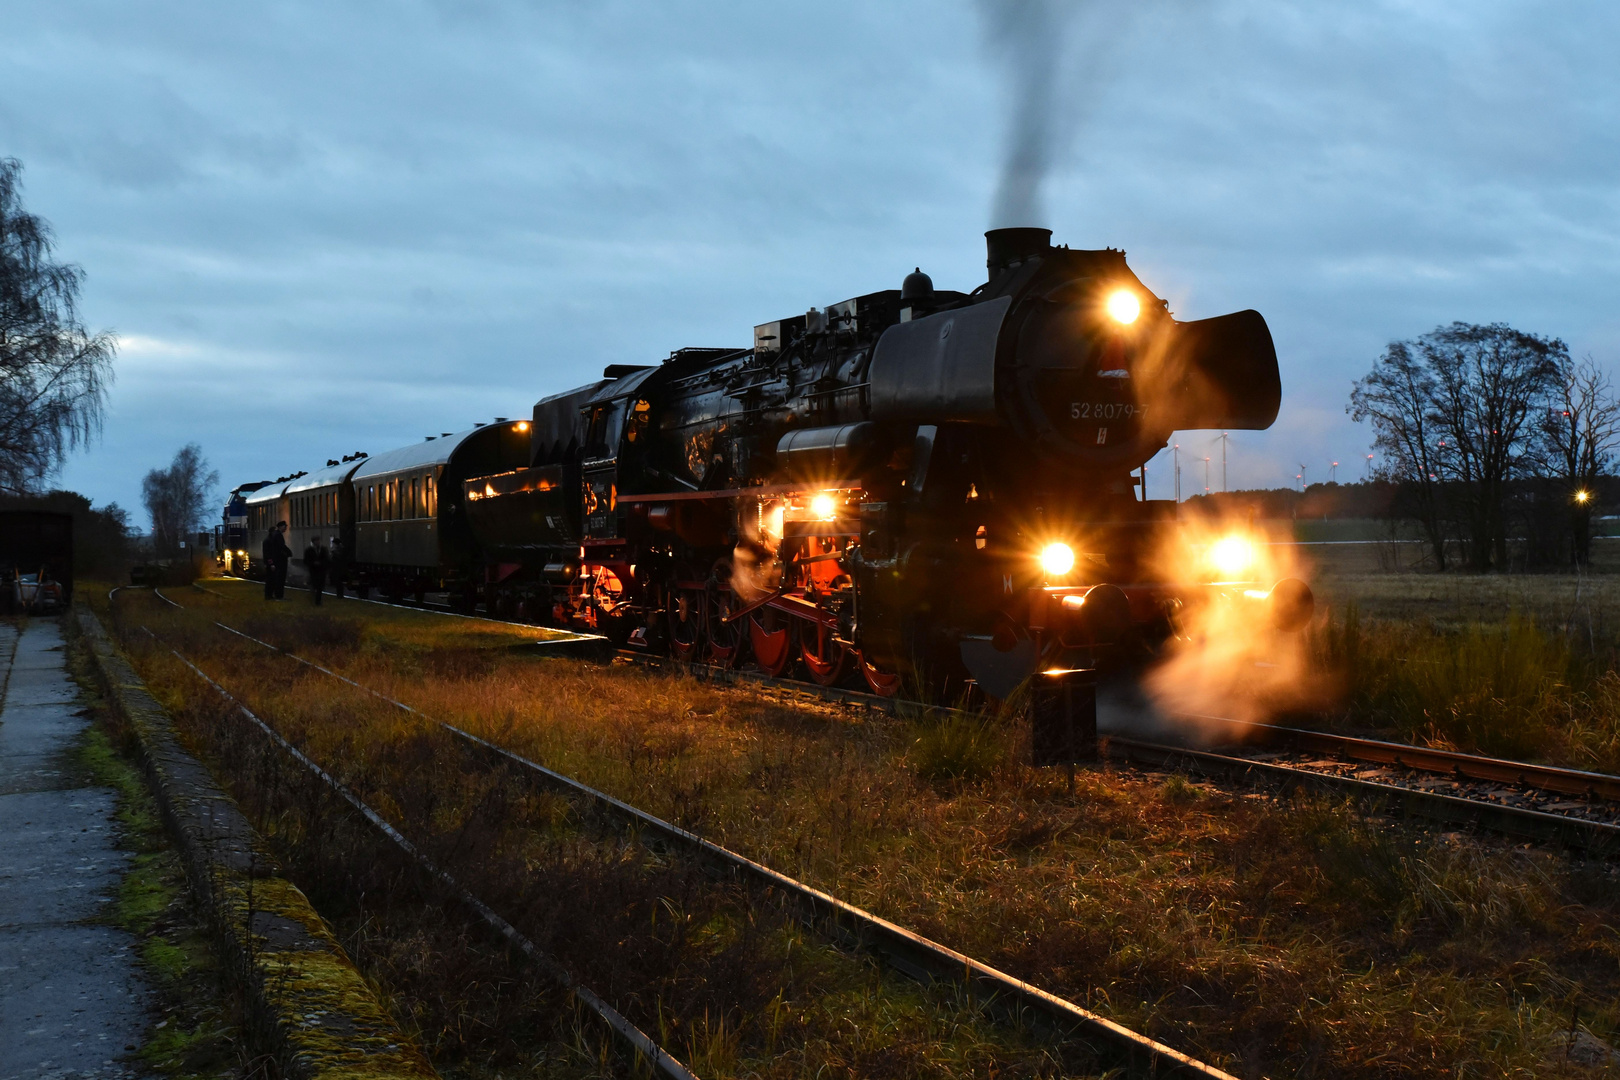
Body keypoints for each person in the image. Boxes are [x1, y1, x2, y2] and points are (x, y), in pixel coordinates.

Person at [263, 521, 292, 600]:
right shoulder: (277, 535)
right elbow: (280, 547)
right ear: (280, 526)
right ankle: (278, 595)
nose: (285, 528)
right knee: (278, 579)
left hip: (276, 561)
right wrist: (288, 553)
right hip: (279, 561)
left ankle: (272, 595)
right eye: (284, 526)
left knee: (273, 579)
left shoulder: (275, 536)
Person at [304, 537, 329, 605]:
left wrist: (322, 564)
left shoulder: (323, 549)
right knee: (314, 584)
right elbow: (306, 560)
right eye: (316, 541)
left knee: (320, 586)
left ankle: (318, 600)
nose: (318, 542)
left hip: (321, 570)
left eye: (318, 540)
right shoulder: (309, 550)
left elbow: (327, 559)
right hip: (313, 570)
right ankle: (315, 598)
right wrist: (312, 563)